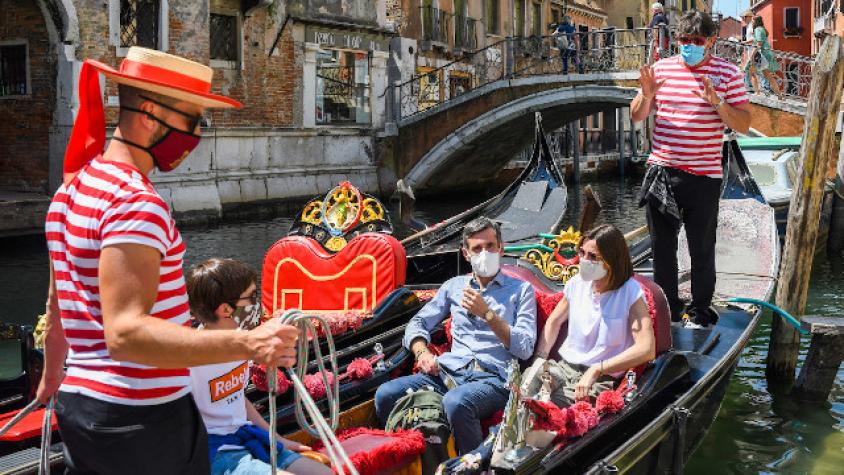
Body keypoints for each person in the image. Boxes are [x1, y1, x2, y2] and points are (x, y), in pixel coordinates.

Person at [37, 47, 300, 474]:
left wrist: (50, 380)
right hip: (141, 417)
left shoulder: (69, 193)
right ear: (148, 114)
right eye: (192, 121)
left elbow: (56, 309)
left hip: (82, 408)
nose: (196, 136)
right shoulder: (135, 202)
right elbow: (126, 333)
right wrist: (248, 343)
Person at [374, 217, 537, 455]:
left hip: (493, 379)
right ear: (466, 254)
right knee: (385, 394)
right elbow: (418, 322)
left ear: (501, 248)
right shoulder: (453, 286)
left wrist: (488, 315)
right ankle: (411, 461)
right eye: (477, 248)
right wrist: (422, 352)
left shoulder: (521, 290)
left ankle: (471, 468)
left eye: (490, 246)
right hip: (448, 372)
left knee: (457, 402)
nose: (485, 253)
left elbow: (525, 348)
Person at [631, 11, 751, 328]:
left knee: (701, 249)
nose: (689, 46)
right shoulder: (660, 70)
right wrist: (647, 93)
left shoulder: (727, 74)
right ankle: (667, 311)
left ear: (710, 41)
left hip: (704, 176)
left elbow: (744, 123)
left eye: (697, 41)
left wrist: (717, 103)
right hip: (661, 172)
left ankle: (699, 311)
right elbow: (637, 116)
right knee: (663, 248)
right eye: (684, 40)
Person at [186, 258, 333, 475]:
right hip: (216, 451)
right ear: (226, 309)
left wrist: (276, 437)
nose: (258, 303)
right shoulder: (192, 357)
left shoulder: (244, 342)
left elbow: (237, 399)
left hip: (246, 435)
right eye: (252, 296)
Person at [522, 225, 655, 407]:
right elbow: (554, 321)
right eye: (582, 252)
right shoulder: (577, 283)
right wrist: (539, 359)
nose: (583, 260)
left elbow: (646, 349)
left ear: (612, 260)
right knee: (523, 391)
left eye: (593, 257)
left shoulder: (630, 293)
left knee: (548, 407)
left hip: (601, 378)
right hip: (564, 367)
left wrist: (597, 369)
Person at [747, 16, 782, 99]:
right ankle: (780, 95)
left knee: (751, 72)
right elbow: (756, 40)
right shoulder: (762, 29)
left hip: (762, 54)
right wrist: (745, 42)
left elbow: (759, 44)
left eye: (752, 21)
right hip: (767, 53)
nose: (751, 22)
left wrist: (752, 54)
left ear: (756, 22)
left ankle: (757, 93)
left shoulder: (757, 30)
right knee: (768, 76)